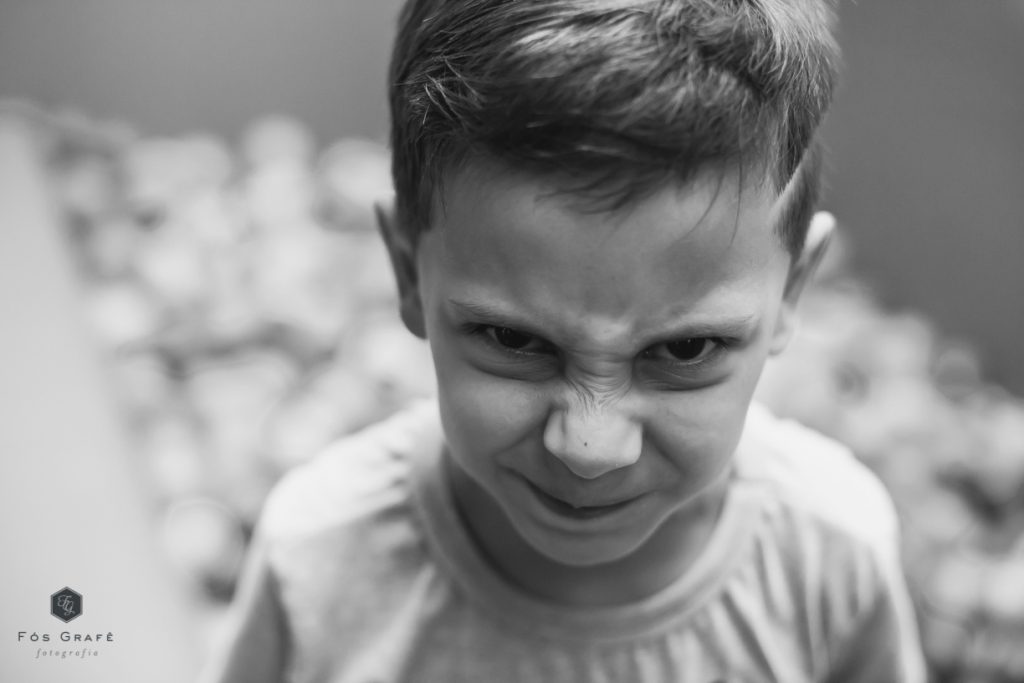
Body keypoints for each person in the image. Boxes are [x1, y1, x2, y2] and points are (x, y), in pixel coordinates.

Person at [203, 1, 926, 681]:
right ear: (407, 271)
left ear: (793, 290)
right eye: (513, 339)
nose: (590, 447)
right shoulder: (320, 558)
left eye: (684, 351)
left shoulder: (832, 558)